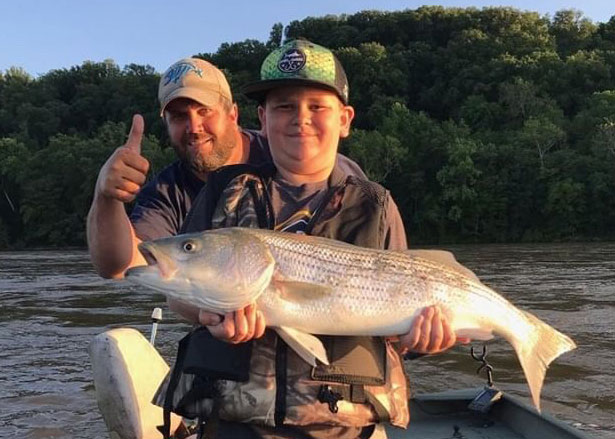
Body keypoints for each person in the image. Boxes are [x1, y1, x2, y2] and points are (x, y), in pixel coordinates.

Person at [157, 39, 465, 439]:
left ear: (344, 119)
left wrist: (425, 339)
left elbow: (403, 321)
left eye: (317, 106)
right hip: (235, 424)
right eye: (284, 106)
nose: (300, 118)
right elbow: (178, 292)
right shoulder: (224, 190)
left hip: (346, 428)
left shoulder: (376, 205)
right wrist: (207, 314)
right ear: (262, 119)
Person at [87, 57, 365, 285]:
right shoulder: (167, 191)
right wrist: (106, 197)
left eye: (204, 111)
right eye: (179, 116)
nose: (194, 127)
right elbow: (121, 264)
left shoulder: (291, 151)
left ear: (233, 114)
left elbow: (368, 250)